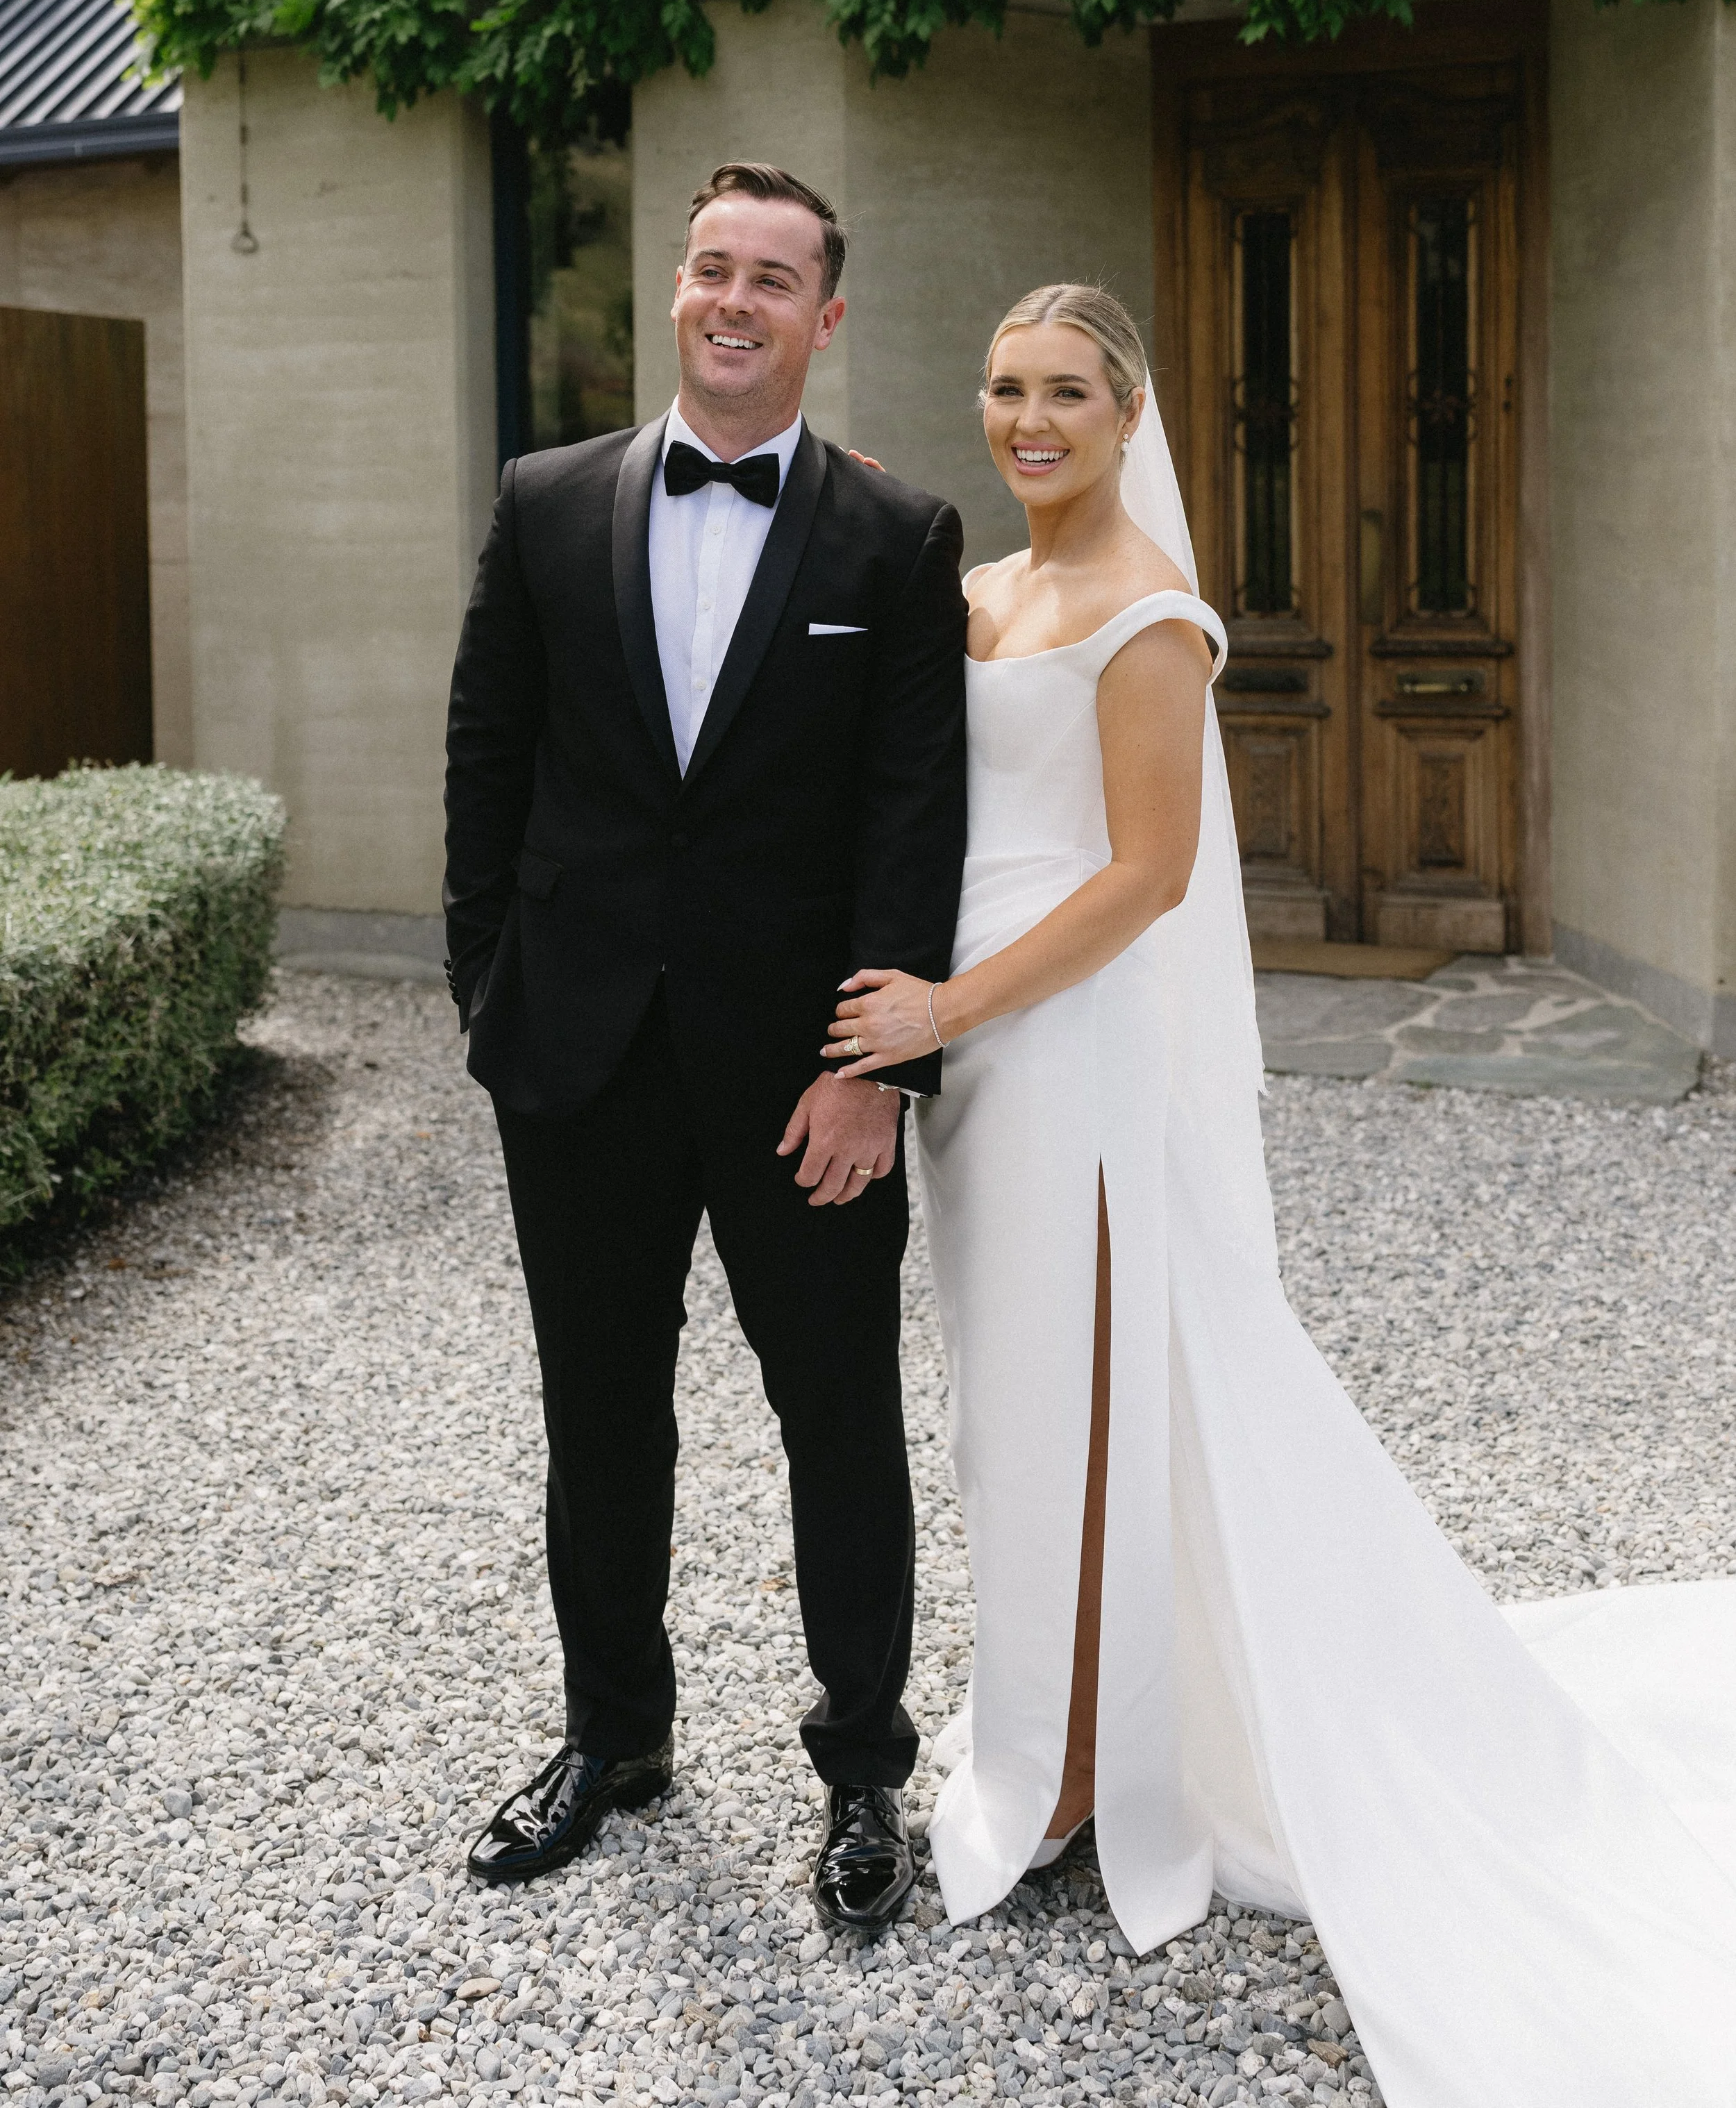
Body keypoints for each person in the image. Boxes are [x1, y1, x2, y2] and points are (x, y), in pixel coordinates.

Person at [826, 283, 1736, 2102]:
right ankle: (1066, 1722)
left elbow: (1148, 877)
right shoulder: (978, 593)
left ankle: (1100, 1759)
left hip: (1062, 1048)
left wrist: (947, 1002)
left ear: (1127, 406)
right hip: (974, 1072)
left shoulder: (1148, 614)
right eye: (1003, 386)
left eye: (1065, 390)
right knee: (1020, 1412)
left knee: (1092, 1394)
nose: (1027, 418)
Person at [442, 160, 968, 1930]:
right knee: (596, 1412)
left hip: (798, 1076)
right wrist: (490, 999)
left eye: (774, 279)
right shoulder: (541, 499)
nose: (732, 302)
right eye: (709, 269)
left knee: (835, 1415)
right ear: (674, 291)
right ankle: (616, 1736)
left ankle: (864, 1764)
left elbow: (914, 818)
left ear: (827, 317)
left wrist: (875, 1068)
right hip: (575, 1057)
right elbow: (485, 762)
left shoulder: (895, 539)